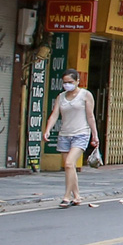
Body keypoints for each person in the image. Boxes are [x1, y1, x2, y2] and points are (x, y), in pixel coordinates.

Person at [43, 69, 99, 209]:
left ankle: (66, 197)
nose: (67, 85)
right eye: (65, 82)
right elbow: (55, 114)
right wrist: (48, 130)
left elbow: (90, 116)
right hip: (64, 134)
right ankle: (77, 196)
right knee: (70, 167)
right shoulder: (61, 97)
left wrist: (94, 134)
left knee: (69, 164)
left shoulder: (85, 95)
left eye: (70, 82)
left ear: (77, 81)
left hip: (81, 133)